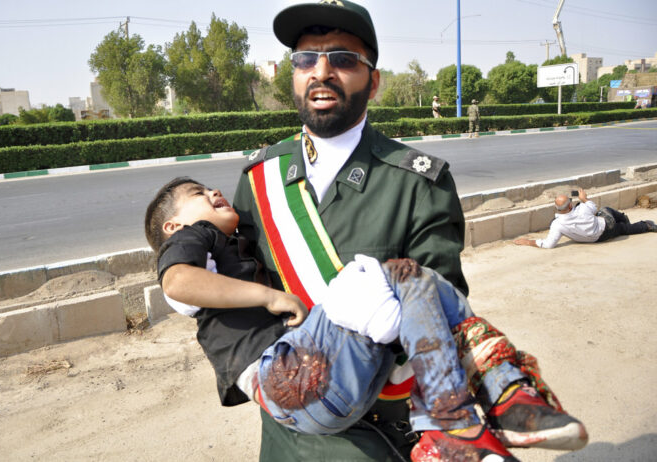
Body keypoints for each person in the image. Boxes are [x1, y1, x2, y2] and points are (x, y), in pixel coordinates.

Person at [158, 1, 585, 460]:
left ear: (373, 81)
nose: (321, 71)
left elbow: (443, 314)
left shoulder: (419, 182)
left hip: (377, 433)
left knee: (414, 285)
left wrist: (371, 314)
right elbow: (227, 284)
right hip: (289, 430)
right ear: (293, 75)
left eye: (343, 59)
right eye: (306, 58)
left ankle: (476, 412)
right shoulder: (258, 179)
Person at [148, 177, 586, 462]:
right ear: (173, 227)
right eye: (197, 195)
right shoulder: (194, 239)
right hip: (286, 379)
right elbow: (178, 283)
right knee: (382, 273)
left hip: (326, 398)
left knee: (416, 280)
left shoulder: (233, 243)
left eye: (209, 187)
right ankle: (488, 396)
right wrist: (269, 296)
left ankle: (461, 418)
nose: (213, 192)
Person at [513, 188, 657, 249]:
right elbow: (593, 207)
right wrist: (584, 198)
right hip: (606, 227)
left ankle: (642, 225)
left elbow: (549, 244)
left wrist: (528, 241)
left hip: (595, 239)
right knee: (606, 210)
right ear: (570, 206)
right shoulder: (583, 208)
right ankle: (631, 221)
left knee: (620, 229)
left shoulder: (557, 224)